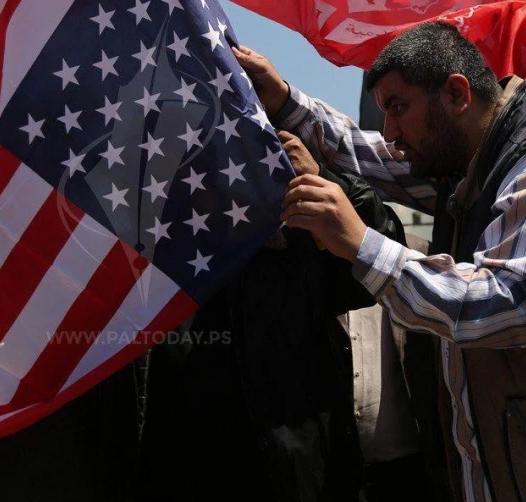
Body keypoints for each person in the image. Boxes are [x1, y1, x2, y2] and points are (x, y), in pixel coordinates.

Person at [234, 21, 526, 502]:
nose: (390, 131)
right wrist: (283, 101)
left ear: (457, 95)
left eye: (398, 108)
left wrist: (361, 244)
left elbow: (510, 305)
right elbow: (370, 158)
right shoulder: (467, 164)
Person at [138, 128, 408, 501]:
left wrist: (325, 180)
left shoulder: (296, 242)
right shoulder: (153, 260)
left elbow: (379, 264)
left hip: (302, 479)